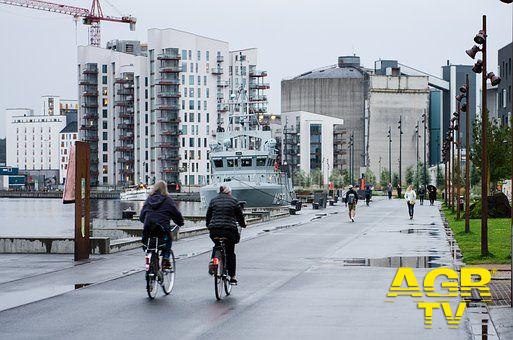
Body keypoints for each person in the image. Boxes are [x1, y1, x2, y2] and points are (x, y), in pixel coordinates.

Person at [206, 185, 246, 285]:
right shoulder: (234, 201)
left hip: (214, 230)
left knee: (217, 244)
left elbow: (208, 216)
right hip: (229, 231)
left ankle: (213, 260)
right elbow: (240, 216)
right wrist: (243, 224)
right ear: (229, 193)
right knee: (230, 252)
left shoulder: (213, 201)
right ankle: (232, 276)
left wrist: (209, 226)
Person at [140, 180, 184, 269]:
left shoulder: (149, 199)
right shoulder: (168, 199)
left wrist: (145, 221)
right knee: (168, 238)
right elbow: (175, 213)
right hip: (162, 228)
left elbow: (141, 216)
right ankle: (166, 259)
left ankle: (148, 263)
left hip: (148, 227)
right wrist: (180, 222)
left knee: (147, 244)